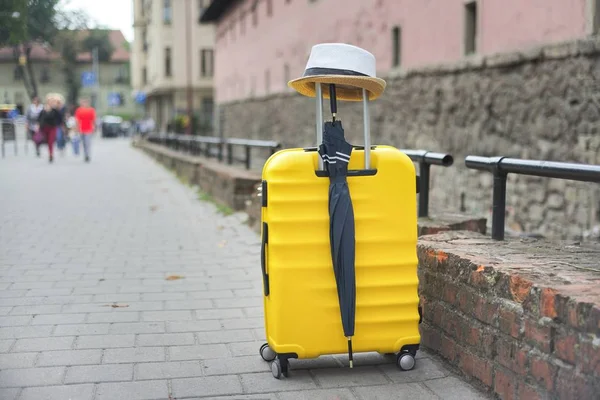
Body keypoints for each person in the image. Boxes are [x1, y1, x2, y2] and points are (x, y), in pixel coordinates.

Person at [37, 94, 63, 163]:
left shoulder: (55, 110)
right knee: (44, 141)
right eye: (50, 101)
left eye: (52, 101)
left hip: (52, 128)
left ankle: (51, 155)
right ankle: (38, 149)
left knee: (50, 141)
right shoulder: (43, 109)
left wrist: (59, 124)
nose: (51, 102)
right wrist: (38, 126)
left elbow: (60, 118)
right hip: (44, 128)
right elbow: (39, 118)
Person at [74, 97, 96, 162]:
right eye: (84, 102)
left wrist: (94, 127)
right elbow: (77, 120)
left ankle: (87, 155)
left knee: (87, 142)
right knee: (83, 143)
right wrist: (76, 128)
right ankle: (85, 154)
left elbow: (93, 119)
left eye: (86, 102)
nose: (85, 104)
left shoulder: (91, 110)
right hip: (81, 129)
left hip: (89, 129)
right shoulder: (79, 110)